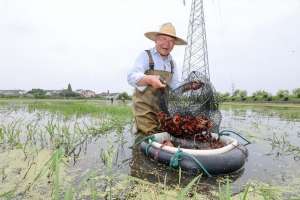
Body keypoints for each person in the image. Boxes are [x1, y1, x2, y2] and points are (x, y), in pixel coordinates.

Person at [127, 22, 201, 135]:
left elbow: (175, 87)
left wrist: (189, 86)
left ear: (174, 44)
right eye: (163, 39)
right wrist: (149, 79)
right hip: (144, 111)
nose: (166, 44)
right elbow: (131, 77)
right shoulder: (146, 56)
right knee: (147, 140)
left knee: (166, 137)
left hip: (162, 112)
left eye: (171, 41)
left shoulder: (172, 64)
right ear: (156, 40)